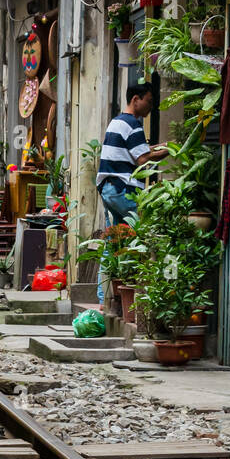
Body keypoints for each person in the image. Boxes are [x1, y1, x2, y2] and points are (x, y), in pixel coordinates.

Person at [95, 80, 168, 307]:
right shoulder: (133, 125)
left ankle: (104, 299)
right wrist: (170, 150)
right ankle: (143, 297)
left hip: (109, 189)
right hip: (123, 190)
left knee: (113, 242)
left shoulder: (117, 122)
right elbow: (143, 158)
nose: (150, 107)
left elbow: (140, 151)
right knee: (145, 235)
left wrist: (161, 146)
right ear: (135, 100)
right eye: (148, 101)